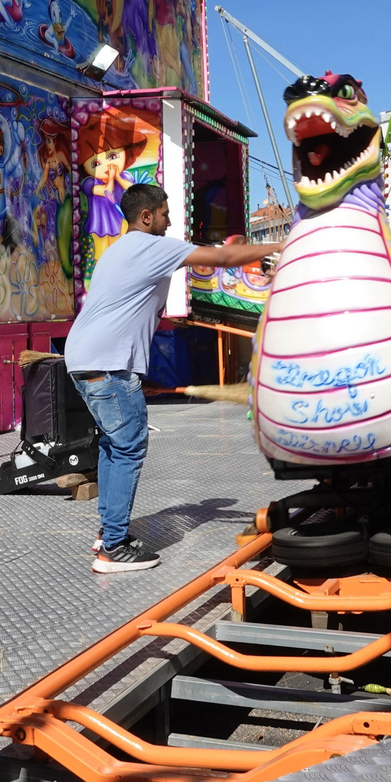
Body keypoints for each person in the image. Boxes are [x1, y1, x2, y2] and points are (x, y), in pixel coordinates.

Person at [64, 183, 282, 574]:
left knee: (116, 447)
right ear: (146, 217)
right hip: (108, 364)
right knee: (129, 448)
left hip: (86, 360)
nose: (169, 221)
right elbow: (225, 256)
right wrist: (280, 247)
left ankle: (109, 533)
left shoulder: (117, 250)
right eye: (164, 214)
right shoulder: (152, 246)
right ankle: (112, 547)